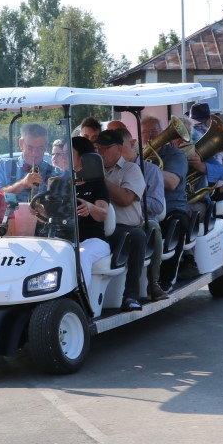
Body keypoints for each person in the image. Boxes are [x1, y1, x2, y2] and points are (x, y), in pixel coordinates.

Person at [109, 122, 168, 301]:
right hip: (115, 218)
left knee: (154, 229)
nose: (117, 153)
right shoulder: (108, 169)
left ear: (132, 144)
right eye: (113, 148)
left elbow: (157, 206)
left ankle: (154, 282)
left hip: (143, 218)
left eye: (122, 148)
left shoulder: (151, 169)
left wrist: (133, 197)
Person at [95, 129, 146, 312]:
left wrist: (99, 180)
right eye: (98, 147)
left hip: (124, 229)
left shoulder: (132, 170)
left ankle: (131, 296)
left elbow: (125, 198)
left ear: (118, 149)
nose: (100, 152)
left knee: (138, 236)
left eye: (106, 148)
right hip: (97, 227)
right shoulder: (91, 170)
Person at [140, 115, 190, 291]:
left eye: (153, 131)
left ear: (162, 132)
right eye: (144, 133)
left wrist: (145, 170)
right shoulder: (140, 157)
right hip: (148, 208)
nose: (149, 136)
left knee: (177, 223)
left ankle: (167, 278)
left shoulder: (176, 155)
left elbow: (172, 182)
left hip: (172, 207)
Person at [66, 136, 111, 284]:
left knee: (82, 255)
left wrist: (90, 207)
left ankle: (82, 303)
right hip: (67, 241)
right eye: (63, 153)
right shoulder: (61, 184)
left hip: (94, 240)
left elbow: (103, 214)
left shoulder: (96, 184)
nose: (65, 157)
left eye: (69, 153)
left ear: (83, 158)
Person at [0, 123, 56, 202]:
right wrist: (22, 184)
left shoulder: (55, 173)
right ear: (21, 143)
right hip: (9, 214)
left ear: (46, 146)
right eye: (30, 147)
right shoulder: (3, 166)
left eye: (40, 148)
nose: (34, 153)